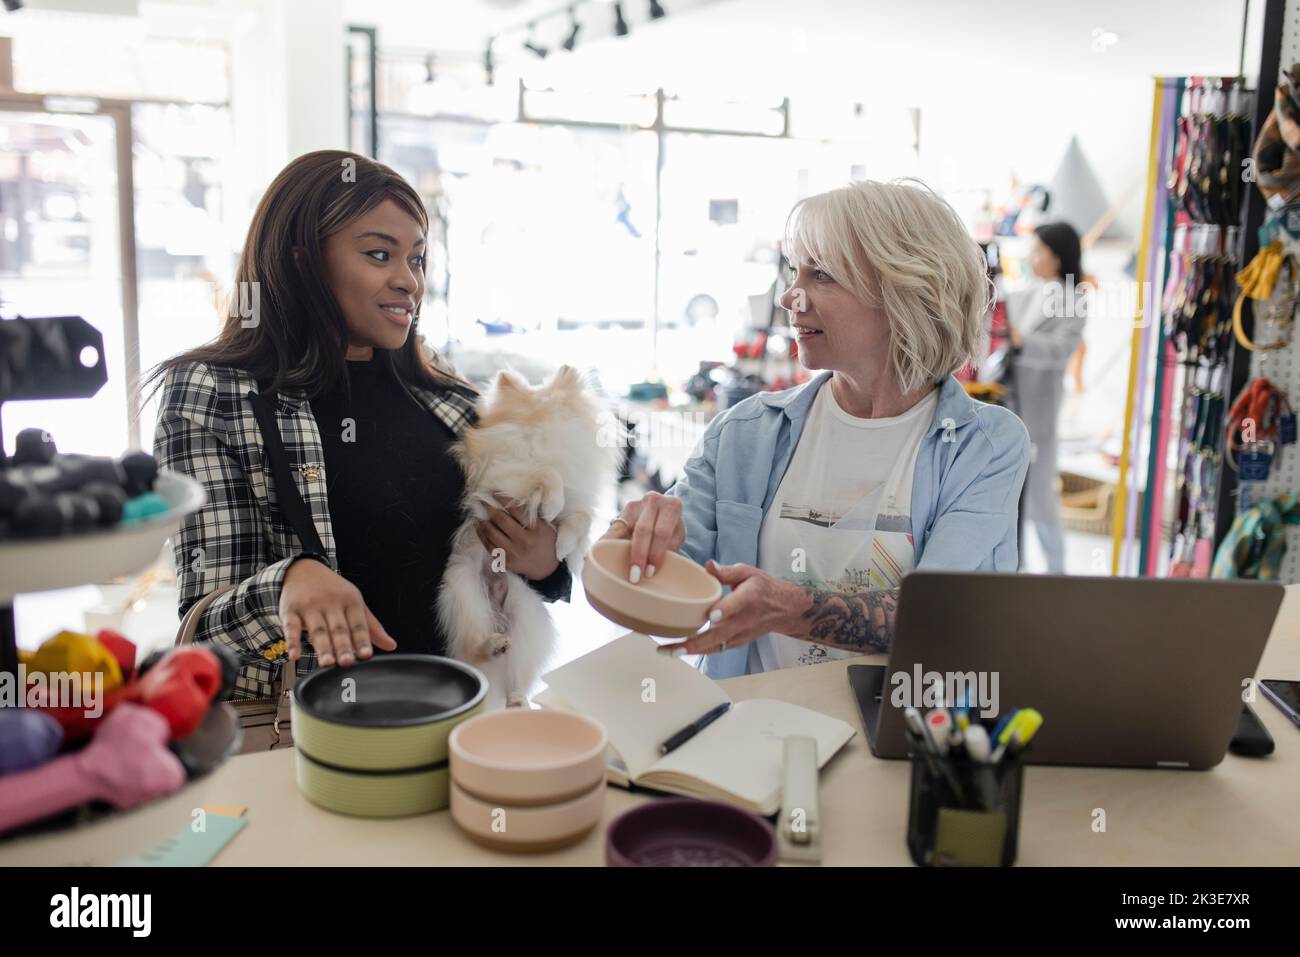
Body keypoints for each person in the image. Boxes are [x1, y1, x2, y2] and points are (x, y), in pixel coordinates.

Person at [144, 150, 571, 700]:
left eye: (417, 259)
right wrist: (289, 582)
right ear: (302, 260)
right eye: (378, 254)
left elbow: (523, 573)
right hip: (329, 740)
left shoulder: (441, 393)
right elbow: (205, 634)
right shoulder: (214, 391)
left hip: (471, 723)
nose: (408, 282)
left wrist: (546, 564)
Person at [603, 179, 1030, 677]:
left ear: (906, 294)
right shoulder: (745, 433)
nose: (790, 297)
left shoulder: (984, 446)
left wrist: (790, 608)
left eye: (821, 275)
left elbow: (944, 616)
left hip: (894, 740)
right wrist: (634, 548)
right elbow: (664, 588)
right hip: (750, 731)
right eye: (794, 271)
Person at [1004, 222, 1089, 575]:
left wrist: (1023, 342)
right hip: (1012, 400)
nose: (1031, 257)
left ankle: (1057, 571)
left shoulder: (1073, 298)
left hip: (1040, 402)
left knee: (1040, 490)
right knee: (1012, 490)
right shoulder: (1026, 291)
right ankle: (1016, 565)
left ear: (1056, 257)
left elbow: (1061, 351)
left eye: (1038, 250)